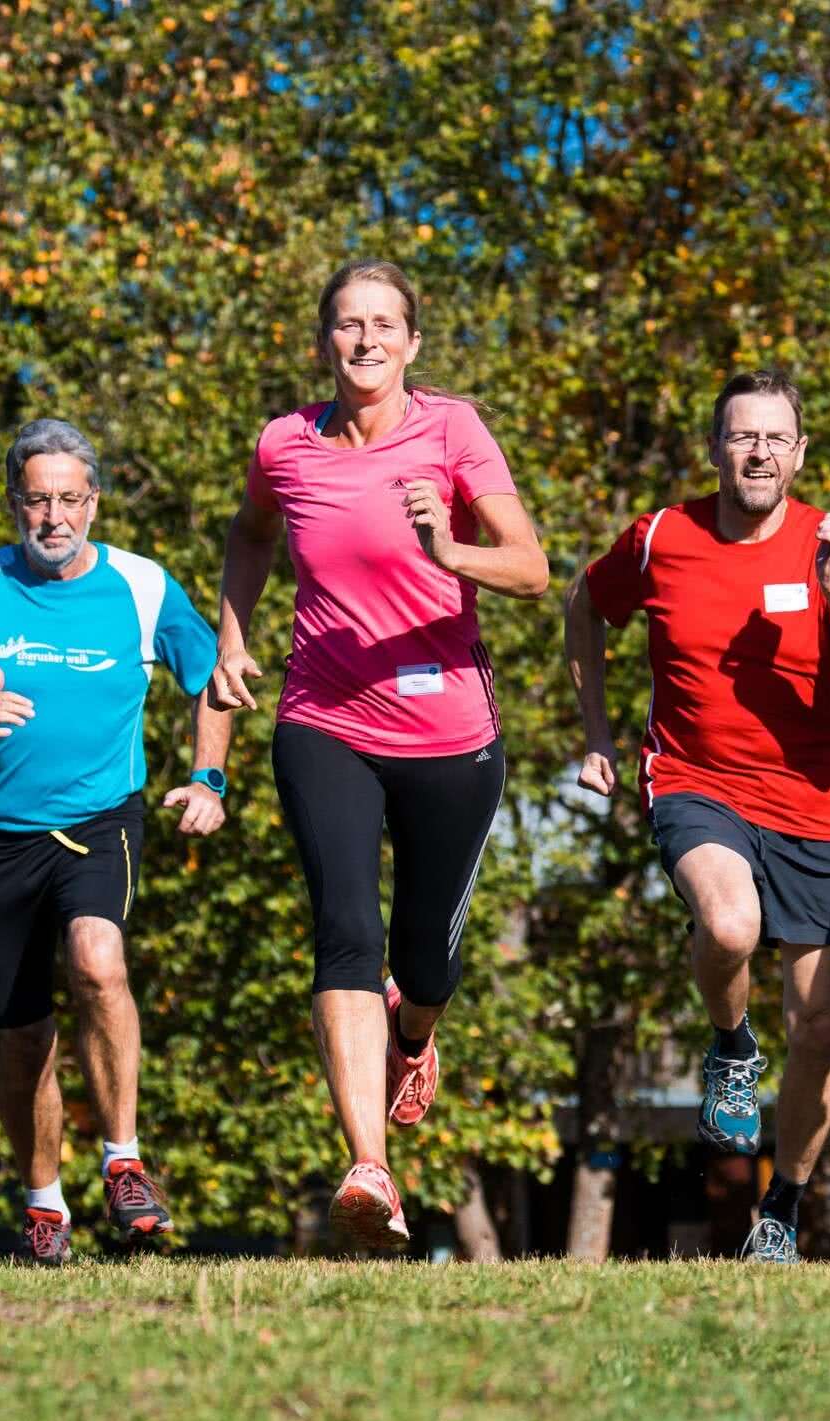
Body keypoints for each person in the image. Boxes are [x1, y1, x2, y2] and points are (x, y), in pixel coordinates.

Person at [208, 259, 549, 1251]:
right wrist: (233, 636)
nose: (365, 341)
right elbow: (250, 535)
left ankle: (414, 1029)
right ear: (326, 340)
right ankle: (370, 1168)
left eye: (384, 324)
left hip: (450, 734)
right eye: (348, 324)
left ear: (412, 342)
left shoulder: (453, 431)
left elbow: (531, 569)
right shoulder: (284, 443)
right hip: (324, 717)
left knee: (425, 957)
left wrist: (452, 553)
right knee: (345, 932)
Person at [566, 369, 830, 1264]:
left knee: (819, 1024)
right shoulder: (661, 537)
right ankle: (731, 1044)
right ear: (716, 448)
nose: (758, 453)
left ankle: (781, 1208)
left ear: (799, 453)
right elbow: (584, 607)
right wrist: (597, 732)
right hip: (694, 780)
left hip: (812, 801)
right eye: (742, 436)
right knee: (728, 924)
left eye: (775, 438)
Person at [0, 418, 229, 1266]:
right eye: (38, 500)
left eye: (69, 499)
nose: (54, 517)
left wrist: (208, 778)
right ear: (15, 505)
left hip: (98, 820)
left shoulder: (141, 586)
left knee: (97, 961)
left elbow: (214, 677)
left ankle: (124, 1162)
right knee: (22, 1037)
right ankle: (45, 1206)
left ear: (94, 503)